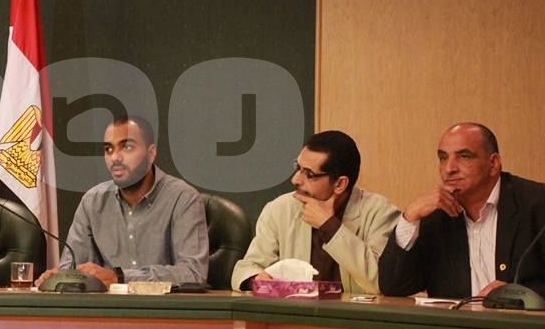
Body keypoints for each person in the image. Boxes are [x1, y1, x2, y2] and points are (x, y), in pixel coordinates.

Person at [379, 122, 545, 302]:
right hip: (459, 326)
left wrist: (518, 295)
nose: (449, 169)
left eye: (464, 156)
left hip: (523, 325)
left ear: (493, 164)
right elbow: (393, 287)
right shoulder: (435, 216)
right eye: (443, 158)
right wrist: (409, 217)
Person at [35, 115, 208, 289]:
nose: (115, 157)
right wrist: (60, 277)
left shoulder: (182, 198)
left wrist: (120, 277)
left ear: (151, 153)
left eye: (127, 147)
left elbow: (193, 273)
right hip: (108, 306)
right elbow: (73, 268)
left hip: (164, 305)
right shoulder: (92, 202)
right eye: (108, 149)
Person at [231, 130, 400, 294]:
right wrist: (257, 279)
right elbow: (247, 268)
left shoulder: (380, 213)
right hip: (294, 312)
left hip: (354, 313)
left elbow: (380, 282)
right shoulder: (280, 209)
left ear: (340, 184)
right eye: (298, 167)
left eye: (309, 174)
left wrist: (330, 227)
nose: (295, 179)